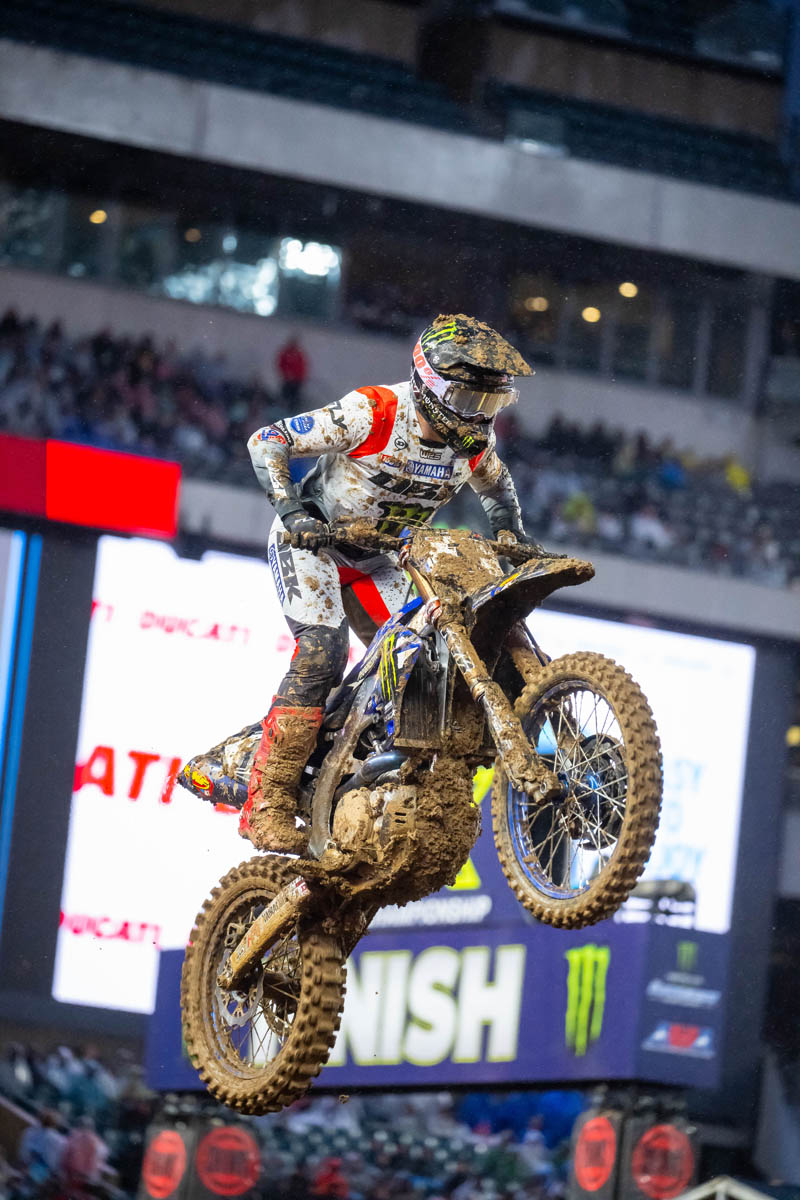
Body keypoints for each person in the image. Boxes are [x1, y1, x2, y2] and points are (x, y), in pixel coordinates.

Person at [179, 313, 540, 853]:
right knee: (323, 653)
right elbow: (267, 440)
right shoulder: (374, 411)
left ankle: (357, 763)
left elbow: (497, 486)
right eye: (469, 401)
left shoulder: (470, 445)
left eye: (490, 404)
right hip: (314, 545)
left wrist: (510, 530)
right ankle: (267, 801)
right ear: (431, 387)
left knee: (427, 657)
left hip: (382, 559)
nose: (478, 416)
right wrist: (292, 510)